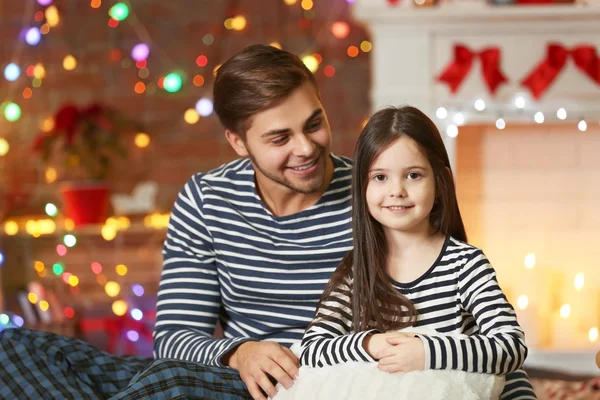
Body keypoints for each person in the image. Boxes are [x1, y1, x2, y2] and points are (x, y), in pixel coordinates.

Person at [0, 45, 536, 400]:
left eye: (314, 124)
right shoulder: (207, 199)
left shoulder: (374, 195)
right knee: (19, 349)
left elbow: (477, 329)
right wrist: (239, 351)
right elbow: (176, 337)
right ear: (238, 142)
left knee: (164, 386)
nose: (306, 149)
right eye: (279, 139)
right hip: (228, 372)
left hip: (302, 389)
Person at [299, 106, 534, 399]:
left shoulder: (466, 265)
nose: (396, 190)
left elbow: (510, 347)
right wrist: (372, 344)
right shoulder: (356, 272)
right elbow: (311, 349)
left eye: (413, 175)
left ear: (438, 183)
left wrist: (426, 351)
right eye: (380, 177)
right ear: (362, 186)